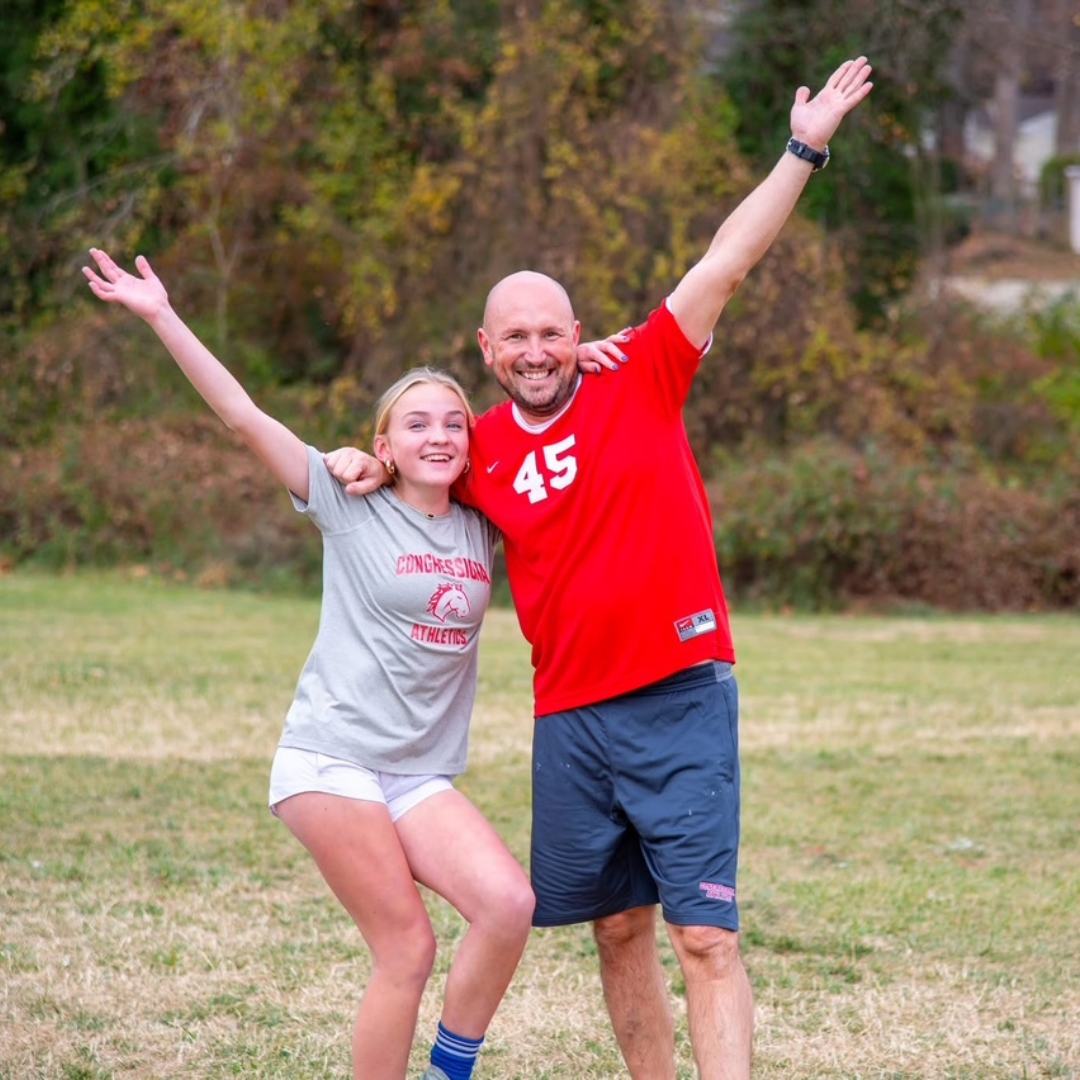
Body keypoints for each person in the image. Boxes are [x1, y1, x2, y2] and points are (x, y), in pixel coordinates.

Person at [326, 56, 874, 1080]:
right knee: (616, 930)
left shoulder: (647, 375)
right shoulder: (477, 446)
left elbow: (727, 261)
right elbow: (405, 466)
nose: (535, 351)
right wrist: (362, 457)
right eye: (516, 338)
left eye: (551, 333)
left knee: (704, 937)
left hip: (680, 693)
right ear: (489, 348)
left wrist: (805, 147)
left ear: (579, 337)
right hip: (568, 717)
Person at [82, 248, 561, 1080]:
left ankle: (450, 1071)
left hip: (417, 772)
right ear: (383, 443)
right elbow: (241, 415)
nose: (439, 436)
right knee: (407, 947)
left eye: (454, 423)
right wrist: (162, 313)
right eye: (416, 425)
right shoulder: (345, 502)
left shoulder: (483, 519)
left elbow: (546, 399)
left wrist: (574, 353)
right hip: (331, 759)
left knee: (508, 904)